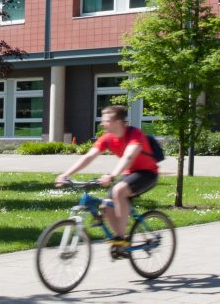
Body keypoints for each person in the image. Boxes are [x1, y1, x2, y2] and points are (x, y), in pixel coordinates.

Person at [55, 105, 158, 259]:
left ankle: (121, 239)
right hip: (129, 174)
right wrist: (66, 174)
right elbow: (88, 157)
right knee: (106, 206)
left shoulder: (134, 135)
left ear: (118, 122)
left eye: (106, 121)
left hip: (147, 173)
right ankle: (120, 242)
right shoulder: (108, 138)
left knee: (118, 191)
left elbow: (128, 157)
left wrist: (112, 175)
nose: (102, 124)